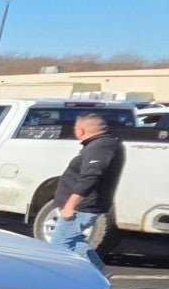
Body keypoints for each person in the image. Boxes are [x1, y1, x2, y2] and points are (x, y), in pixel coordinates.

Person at [48, 112, 124, 268]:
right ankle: (100, 274)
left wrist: (70, 205)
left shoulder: (100, 146)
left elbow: (90, 177)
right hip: (83, 206)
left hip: (81, 207)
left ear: (81, 130)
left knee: (60, 243)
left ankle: (98, 281)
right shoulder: (103, 144)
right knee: (73, 241)